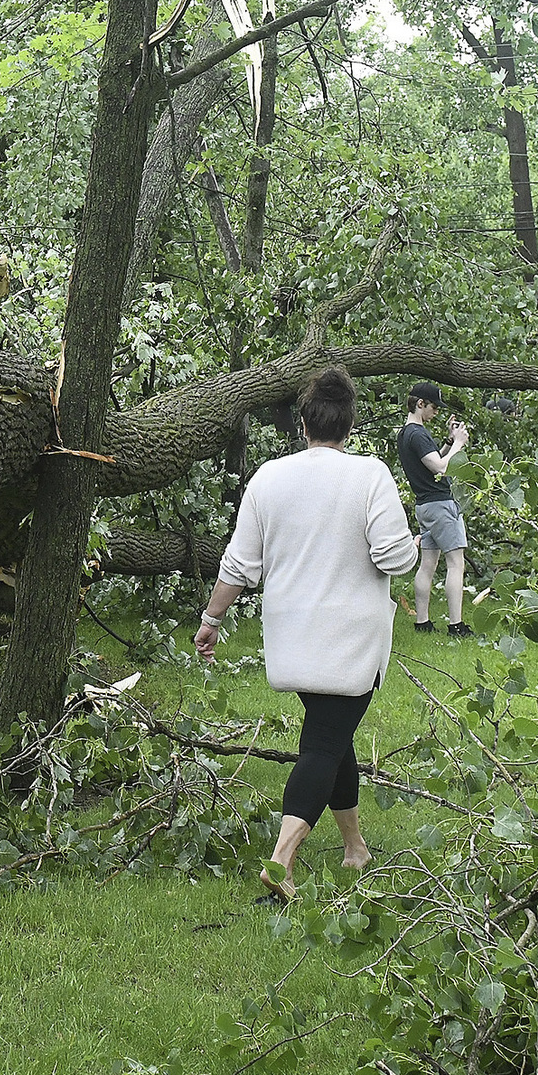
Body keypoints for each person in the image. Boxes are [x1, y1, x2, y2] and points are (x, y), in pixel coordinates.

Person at [195, 367, 418, 901]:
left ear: (303, 423)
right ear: (350, 424)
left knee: (331, 737)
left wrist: (211, 619)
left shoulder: (268, 477)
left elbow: (240, 563)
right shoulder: (370, 476)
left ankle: (354, 847)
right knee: (322, 743)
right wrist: (412, 545)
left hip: (292, 639)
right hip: (351, 642)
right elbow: (393, 555)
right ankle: (280, 862)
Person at [397, 382, 471, 635]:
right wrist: (460, 444)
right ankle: (456, 625)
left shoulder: (405, 434)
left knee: (427, 563)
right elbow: (440, 468)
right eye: (433, 407)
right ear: (420, 404)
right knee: (455, 563)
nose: (436, 413)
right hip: (440, 505)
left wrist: (449, 441)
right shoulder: (418, 434)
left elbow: (433, 460)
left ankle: (423, 622)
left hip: (424, 506)